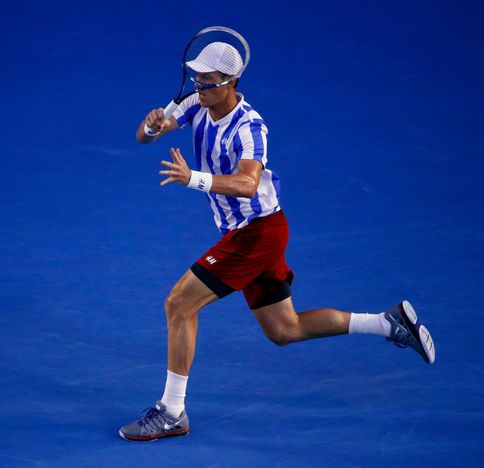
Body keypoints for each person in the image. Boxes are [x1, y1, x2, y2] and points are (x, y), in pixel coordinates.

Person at [119, 41, 435, 442]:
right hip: (248, 233)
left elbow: (248, 185)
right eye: (196, 77)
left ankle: (171, 411)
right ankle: (388, 324)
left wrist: (193, 179)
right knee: (286, 329)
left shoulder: (250, 128)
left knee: (179, 304)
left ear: (231, 82)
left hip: (257, 234)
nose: (199, 86)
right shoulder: (195, 102)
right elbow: (145, 137)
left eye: (209, 80)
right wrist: (151, 126)